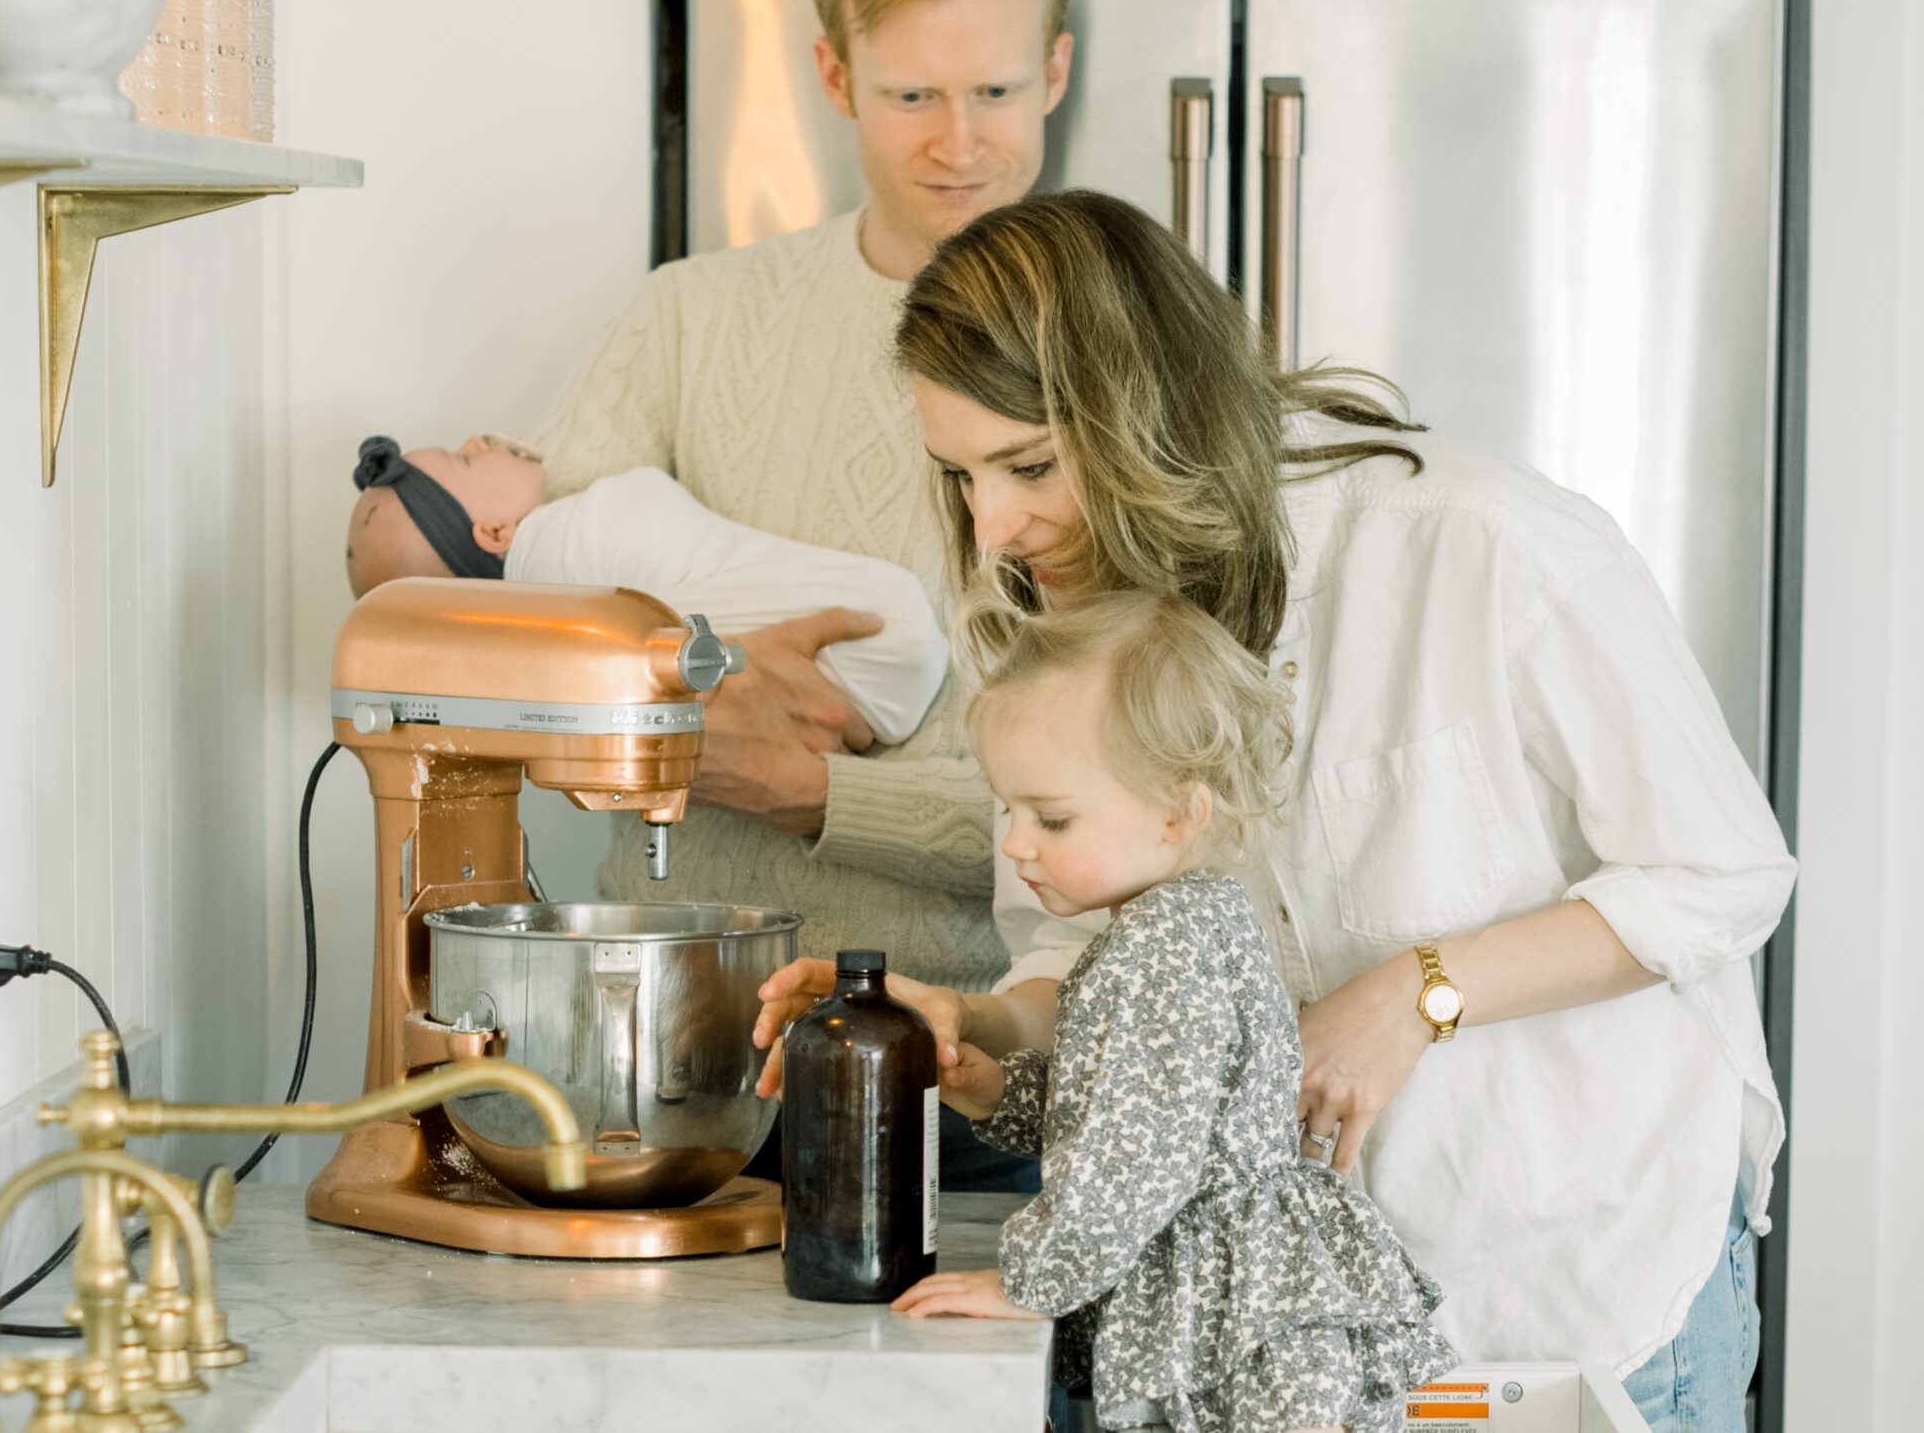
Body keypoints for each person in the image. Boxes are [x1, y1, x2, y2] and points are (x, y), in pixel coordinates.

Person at [756, 190, 1795, 1432]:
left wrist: (1417, 992)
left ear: (1157, 414)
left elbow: (1723, 875)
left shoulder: (1483, 548)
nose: (995, 527)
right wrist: (975, 1032)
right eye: (961, 475)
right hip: (1292, 1359)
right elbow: (1084, 949)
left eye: (1028, 465)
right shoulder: (1062, 629)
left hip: (1571, 1276)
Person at [532, 0, 1082, 1188]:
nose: (960, 141)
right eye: (912, 94)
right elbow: (515, 683)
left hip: (985, 1078)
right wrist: (682, 714)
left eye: (997, 90)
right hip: (678, 1066)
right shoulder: (684, 321)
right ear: (833, 78)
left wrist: (819, 792)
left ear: (1057, 71)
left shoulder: (1130, 369)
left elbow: (1170, 820)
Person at [891, 590, 1455, 1433]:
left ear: (1179, 812)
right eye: (1010, 810)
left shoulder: (1164, 946)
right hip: (1245, 1288)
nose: (1016, 843)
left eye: (1051, 816)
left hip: (1231, 1312)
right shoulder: (1191, 918)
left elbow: (1135, 1155)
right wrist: (997, 1088)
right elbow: (1142, 1110)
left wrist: (1033, 1280)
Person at [345, 433, 948, 743]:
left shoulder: (538, 625)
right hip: (884, 631)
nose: (480, 438)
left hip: (876, 674)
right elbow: (641, 504)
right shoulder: (568, 542)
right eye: (466, 457)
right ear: (497, 532)